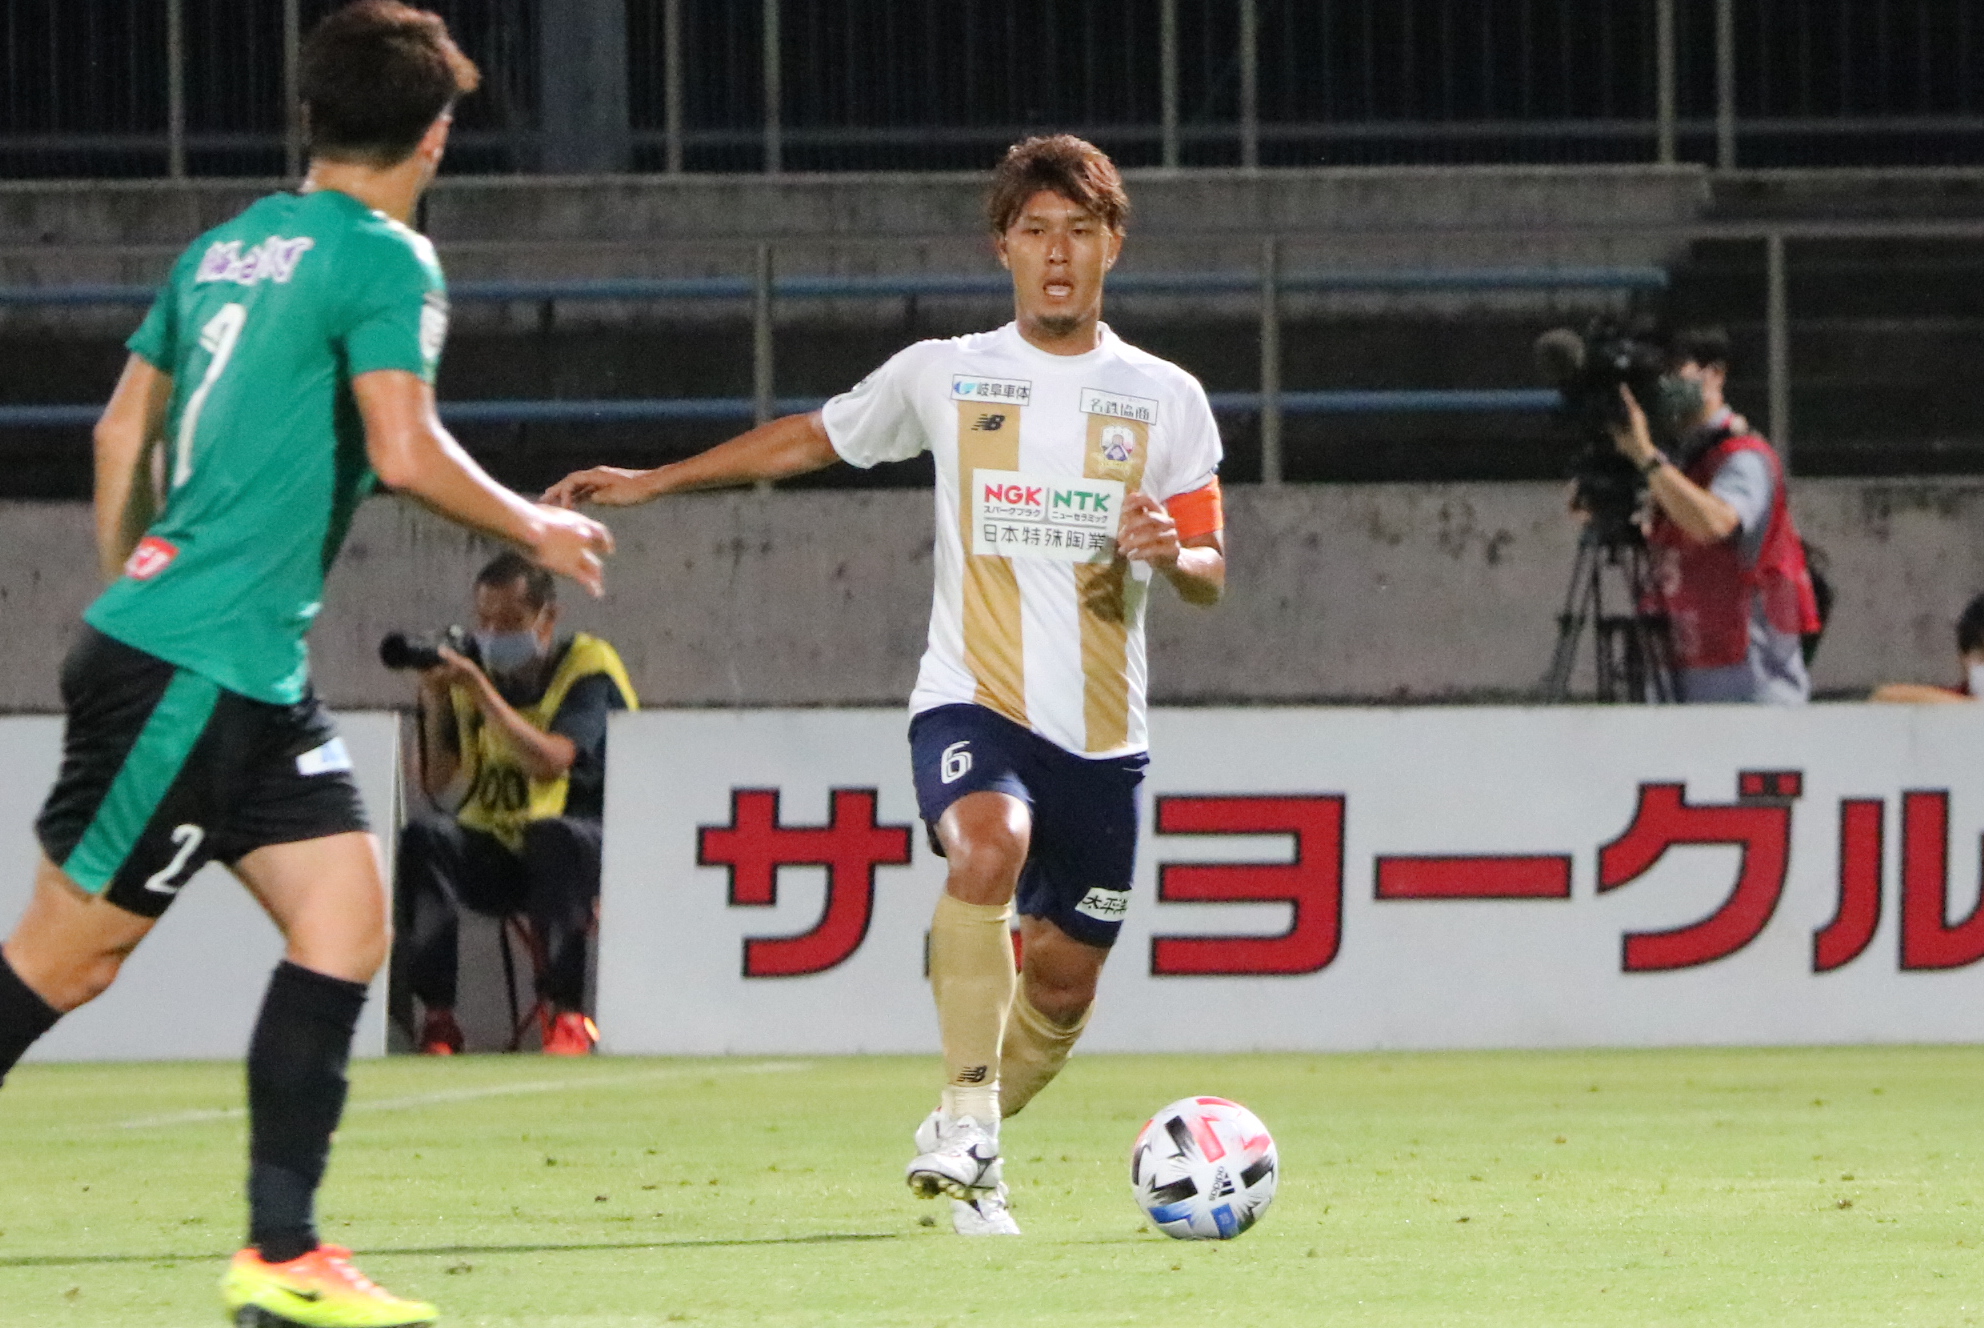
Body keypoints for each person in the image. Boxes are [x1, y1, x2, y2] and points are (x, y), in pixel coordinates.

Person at [0, 5, 614, 1326]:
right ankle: (280, 1251)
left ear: (310, 116)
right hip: (194, 668)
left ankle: (282, 1257)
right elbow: (401, 448)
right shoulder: (388, 258)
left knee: (345, 921)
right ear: (435, 134)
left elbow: (118, 435)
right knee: (64, 961)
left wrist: (138, 582)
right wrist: (534, 523)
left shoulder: (223, 248)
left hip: (234, 667)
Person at [546, 134, 1226, 1237]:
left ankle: (969, 1137)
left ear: (1114, 244)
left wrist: (1172, 553)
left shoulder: (1166, 397)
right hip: (972, 698)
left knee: (1062, 988)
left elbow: (1210, 570)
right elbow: (811, 440)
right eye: (1036, 231)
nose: (1058, 253)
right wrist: (655, 480)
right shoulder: (945, 372)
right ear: (1003, 245)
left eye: (1080, 230)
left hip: (1104, 738)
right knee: (988, 845)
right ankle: (970, 1118)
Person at [395, 551, 636, 1056]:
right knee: (425, 837)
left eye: (509, 622)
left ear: (548, 618)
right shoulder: (468, 670)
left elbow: (552, 761)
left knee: (552, 835)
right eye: (484, 620)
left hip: (579, 850)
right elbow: (437, 785)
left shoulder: (587, 668)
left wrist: (482, 691)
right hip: (499, 852)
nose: (493, 633)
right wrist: (436, 700)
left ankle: (567, 1015)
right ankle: (438, 1019)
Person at [1607, 325, 1822, 703]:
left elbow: (1715, 523)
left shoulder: (1743, 456)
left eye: (1675, 370)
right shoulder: (1675, 459)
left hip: (1750, 685)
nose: (1663, 384)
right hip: (1680, 671)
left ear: (1715, 374)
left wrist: (1647, 458)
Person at [1870, 593, 1984, 704]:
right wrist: (1970, 708)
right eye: (1982, 656)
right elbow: (1884, 695)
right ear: (1962, 659)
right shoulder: (1949, 699)